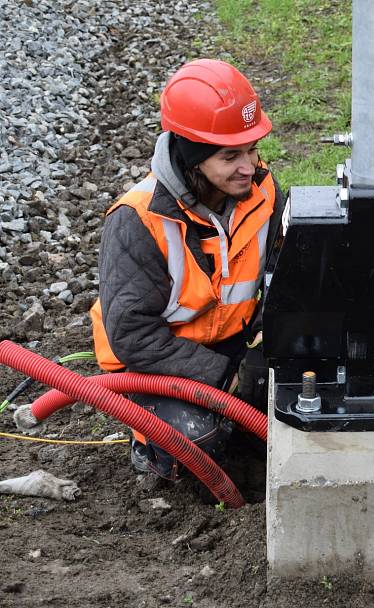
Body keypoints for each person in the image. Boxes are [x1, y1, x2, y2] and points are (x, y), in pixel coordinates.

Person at [90, 59, 284, 484]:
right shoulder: (137, 221)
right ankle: (151, 448)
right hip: (153, 363)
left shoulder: (263, 193)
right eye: (230, 155)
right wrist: (221, 377)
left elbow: (282, 282)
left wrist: (260, 357)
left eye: (252, 148)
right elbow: (133, 336)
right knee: (197, 439)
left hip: (228, 344)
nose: (249, 166)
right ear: (193, 158)